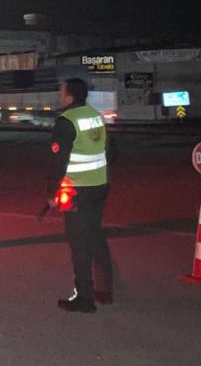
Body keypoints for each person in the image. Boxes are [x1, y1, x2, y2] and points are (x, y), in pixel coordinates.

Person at [48, 77, 113, 312]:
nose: (60, 96)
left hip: (77, 190)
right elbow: (110, 150)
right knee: (94, 235)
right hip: (100, 185)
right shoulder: (95, 116)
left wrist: (52, 193)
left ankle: (84, 297)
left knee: (79, 243)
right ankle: (105, 290)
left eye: (61, 92)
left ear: (69, 96)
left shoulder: (66, 121)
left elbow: (59, 162)